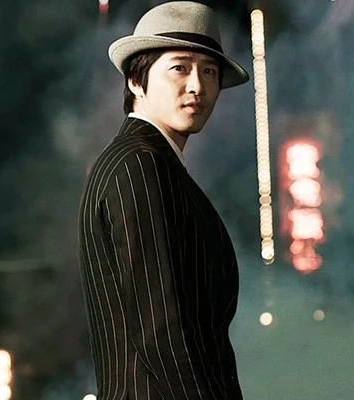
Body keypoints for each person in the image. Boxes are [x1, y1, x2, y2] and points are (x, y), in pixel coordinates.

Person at [77, 2, 250, 399]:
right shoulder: (140, 165)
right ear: (136, 80)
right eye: (179, 67)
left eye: (209, 71)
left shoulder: (143, 162)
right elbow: (165, 329)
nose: (197, 86)